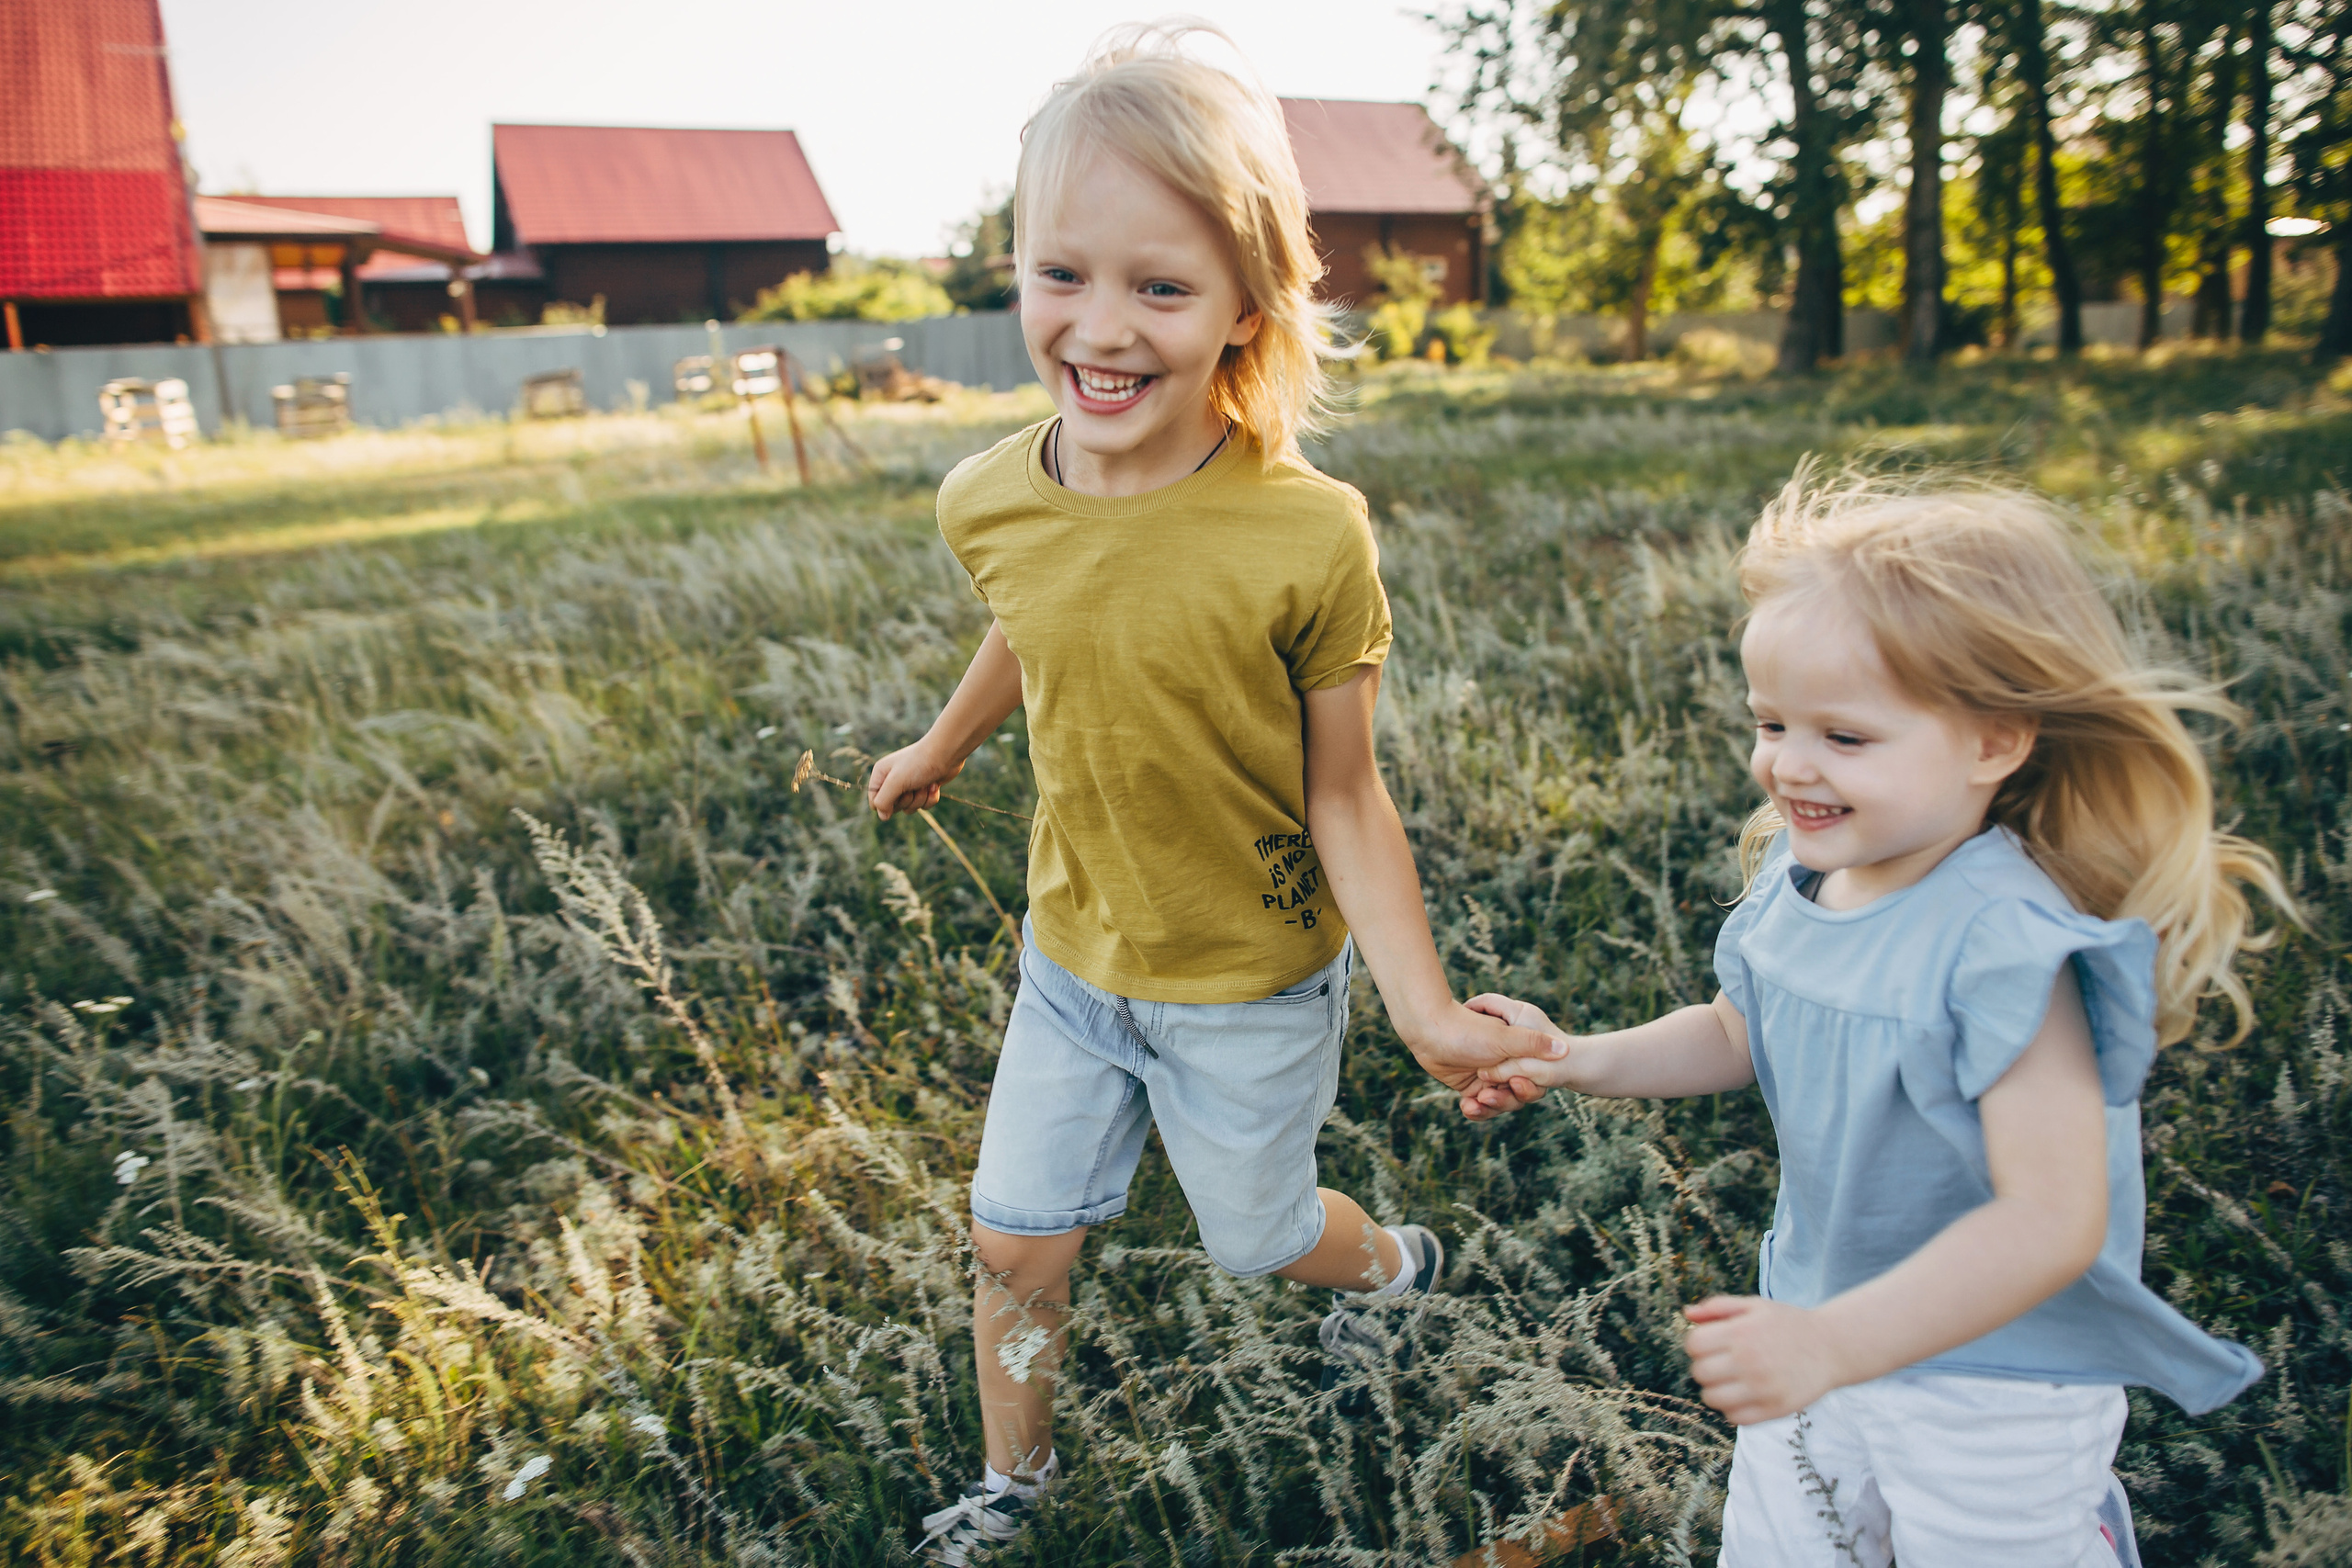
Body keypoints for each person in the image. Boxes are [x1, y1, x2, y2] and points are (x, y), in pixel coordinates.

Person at [865, 24, 1563, 1565]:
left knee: (1257, 1236)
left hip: (1248, 979)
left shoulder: (1304, 537)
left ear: (1249, 304)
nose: (1097, 330)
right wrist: (945, 744)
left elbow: (1349, 797)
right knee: (1011, 1234)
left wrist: (1431, 1010)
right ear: (1018, 271)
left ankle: (1392, 1268)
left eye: (1158, 288)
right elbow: (1039, 618)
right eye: (1061, 274)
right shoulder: (984, 494)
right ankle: (1015, 1485)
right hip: (1073, 959)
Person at [1465, 472, 2293, 1567]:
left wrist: (1832, 1343)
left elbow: (2052, 1220)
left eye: (1844, 738)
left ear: (1993, 742)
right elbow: (1738, 1030)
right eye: (1770, 722)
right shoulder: (1809, 881)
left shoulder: (2006, 946)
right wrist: (1576, 1057)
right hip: (1817, 1320)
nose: (1787, 764)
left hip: (1994, 1375)